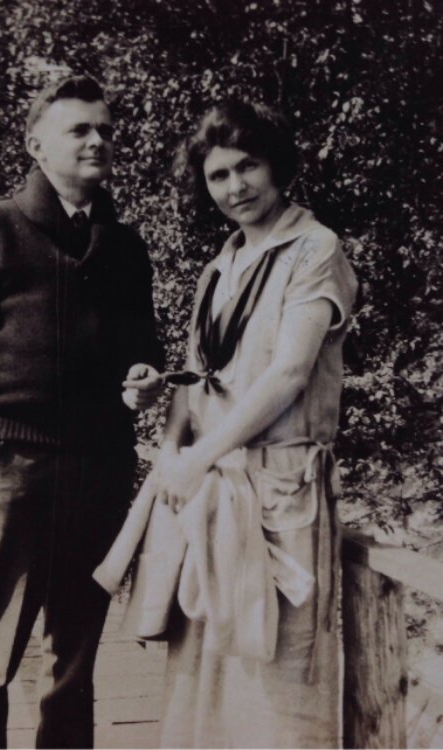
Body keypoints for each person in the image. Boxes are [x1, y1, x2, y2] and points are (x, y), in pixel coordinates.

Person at [0, 75, 163, 749]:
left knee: (74, 665)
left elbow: (143, 352)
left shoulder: (126, 247)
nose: (98, 140)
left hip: (101, 474)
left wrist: (143, 381)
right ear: (36, 144)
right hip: (11, 473)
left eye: (105, 129)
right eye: (79, 128)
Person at [117, 100, 357, 748]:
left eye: (247, 166)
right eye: (218, 175)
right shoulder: (218, 268)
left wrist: (198, 459)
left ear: (277, 165)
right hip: (213, 494)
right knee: (206, 674)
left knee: (279, 676)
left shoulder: (315, 248)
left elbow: (288, 373)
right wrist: (166, 434)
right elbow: (199, 380)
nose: (235, 187)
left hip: (282, 489)